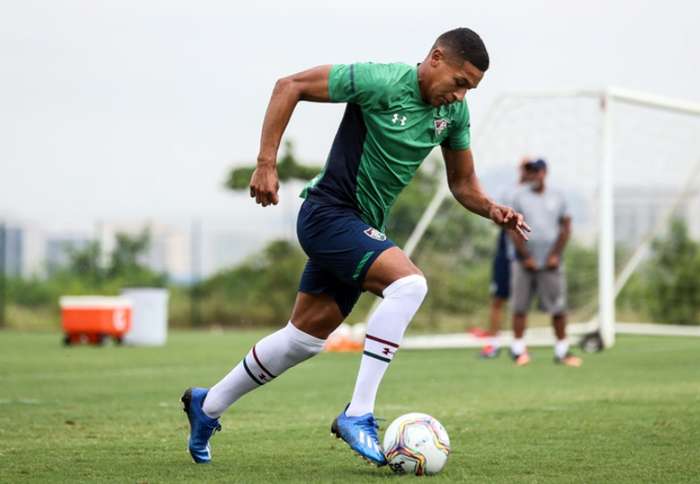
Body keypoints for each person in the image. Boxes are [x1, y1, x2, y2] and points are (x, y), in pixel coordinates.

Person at [181, 28, 530, 466]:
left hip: (359, 226)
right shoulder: (380, 81)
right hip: (328, 214)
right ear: (436, 58)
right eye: (460, 83)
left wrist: (493, 208)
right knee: (409, 286)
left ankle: (207, 405)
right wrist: (266, 163)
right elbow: (289, 86)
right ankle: (358, 413)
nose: (460, 96)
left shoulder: (454, 116)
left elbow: (461, 183)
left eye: (470, 90)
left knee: (302, 340)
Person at [508, 159, 581, 367]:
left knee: (558, 307)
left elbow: (566, 227)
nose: (533, 175)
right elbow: (512, 229)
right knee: (520, 306)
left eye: (536, 172)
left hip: (551, 262)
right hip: (524, 262)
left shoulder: (558, 196)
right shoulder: (519, 196)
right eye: (529, 172)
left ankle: (562, 351)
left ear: (544, 173)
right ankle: (518, 351)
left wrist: (554, 255)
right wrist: (525, 256)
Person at [479, 157, 533, 358]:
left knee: (521, 300)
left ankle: (519, 346)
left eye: (532, 168)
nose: (529, 172)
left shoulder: (539, 195)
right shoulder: (509, 192)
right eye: (526, 168)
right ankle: (492, 344)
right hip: (506, 251)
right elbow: (496, 218)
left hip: (527, 252)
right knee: (498, 298)